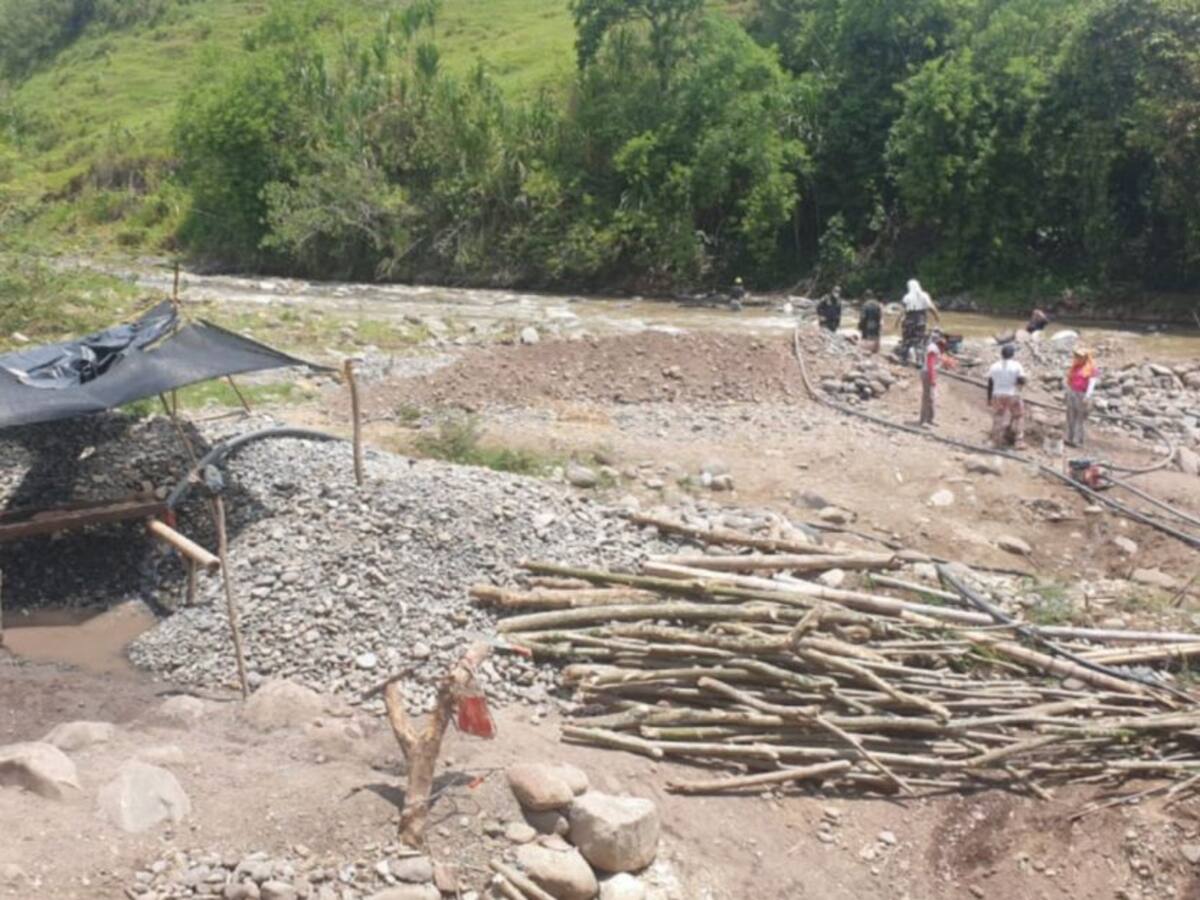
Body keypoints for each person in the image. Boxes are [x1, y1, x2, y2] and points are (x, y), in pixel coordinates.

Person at [987, 344, 1027, 449]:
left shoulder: (994, 366)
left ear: (1002, 354)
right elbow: (1022, 380)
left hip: (997, 394)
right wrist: (1019, 386)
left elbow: (990, 383)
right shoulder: (1017, 365)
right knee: (1018, 416)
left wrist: (989, 398)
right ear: (1013, 354)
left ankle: (996, 440)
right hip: (1012, 394)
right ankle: (1019, 441)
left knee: (998, 416)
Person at [895, 279, 941, 365]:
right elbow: (931, 308)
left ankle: (904, 360)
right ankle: (919, 361)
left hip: (909, 320)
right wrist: (937, 317)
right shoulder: (924, 295)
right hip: (921, 321)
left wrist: (896, 322)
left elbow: (902, 311)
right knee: (919, 341)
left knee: (906, 340)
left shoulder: (907, 297)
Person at [1064, 346, 1098, 447]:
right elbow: (1070, 379)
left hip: (1082, 394)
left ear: (1085, 358)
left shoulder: (1091, 369)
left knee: (1080, 417)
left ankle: (1078, 440)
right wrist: (1068, 391)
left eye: (1080, 356)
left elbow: (1091, 384)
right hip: (1072, 392)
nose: (1077, 358)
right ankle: (1069, 437)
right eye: (1077, 356)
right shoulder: (1075, 367)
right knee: (1070, 415)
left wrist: (1087, 396)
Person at [920, 329, 947, 427]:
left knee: (931, 398)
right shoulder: (932, 348)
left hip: (930, 373)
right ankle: (923, 420)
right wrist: (932, 378)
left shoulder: (936, 348)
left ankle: (930, 419)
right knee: (928, 397)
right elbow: (930, 364)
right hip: (928, 374)